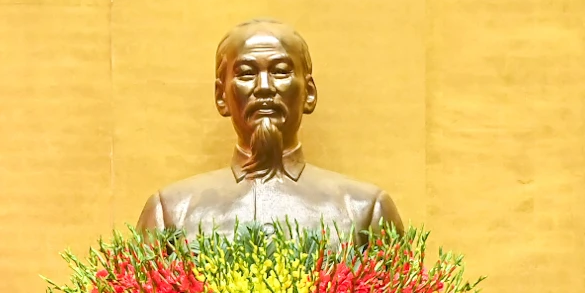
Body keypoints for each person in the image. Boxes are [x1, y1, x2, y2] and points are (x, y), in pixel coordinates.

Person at [136, 20, 404, 238]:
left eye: (280, 71)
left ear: (309, 93)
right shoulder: (171, 212)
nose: (264, 87)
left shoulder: (364, 210)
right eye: (246, 74)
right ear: (221, 96)